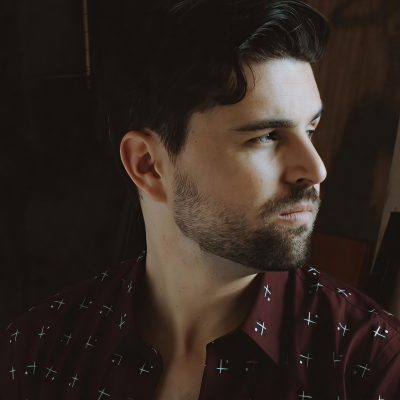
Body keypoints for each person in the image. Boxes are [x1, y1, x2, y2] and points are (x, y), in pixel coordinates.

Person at [1, 0, 400, 399]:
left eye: (309, 130)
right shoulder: (37, 352)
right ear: (149, 166)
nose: (316, 170)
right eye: (265, 136)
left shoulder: (372, 364)